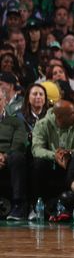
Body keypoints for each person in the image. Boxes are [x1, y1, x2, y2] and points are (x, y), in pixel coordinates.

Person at [31, 97, 74, 208]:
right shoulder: (42, 124)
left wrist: (69, 153)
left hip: (71, 162)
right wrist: (54, 155)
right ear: (60, 118)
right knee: (38, 163)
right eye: (72, 114)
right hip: (49, 164)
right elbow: (36, 149)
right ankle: (37, 205)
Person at [0, 88, 32, 220]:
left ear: (5, 101)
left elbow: (19, 143)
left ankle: (19, 204)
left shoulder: (16, 122)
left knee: (18, 156)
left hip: (9, 159)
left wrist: (4, 156)